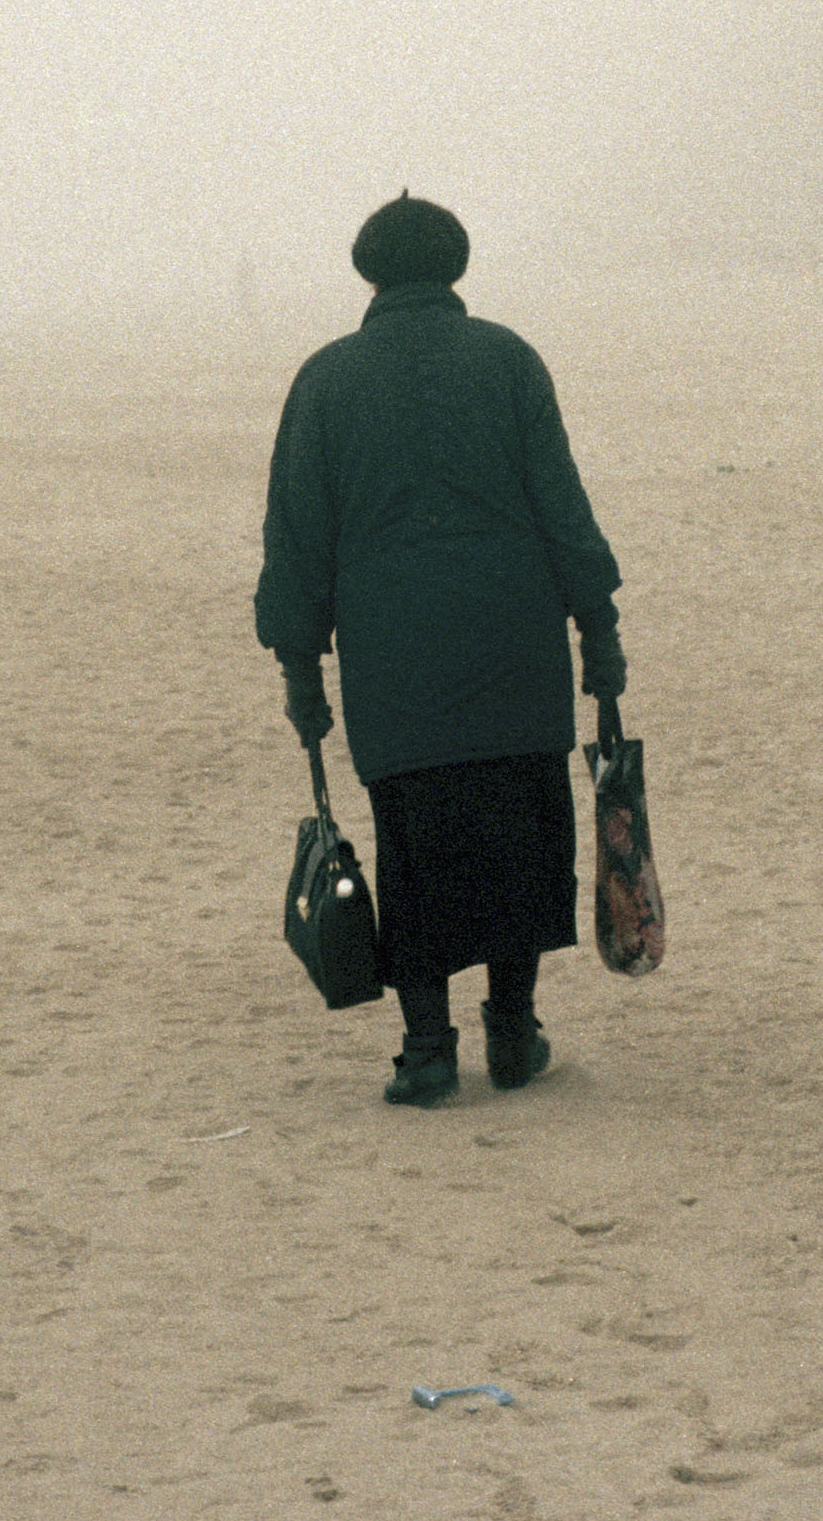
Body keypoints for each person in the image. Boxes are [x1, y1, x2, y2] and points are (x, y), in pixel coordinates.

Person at [255, 192, 626, 1107]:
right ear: (454, 264)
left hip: (394, 664)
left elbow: (298, 540)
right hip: (515, 647)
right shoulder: (508, 360)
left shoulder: (326, 381)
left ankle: (427, 1052)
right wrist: (599, 633)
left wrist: (301, 669)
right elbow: (562, 507)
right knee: (519, 837)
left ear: (369, 271)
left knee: (414, 848)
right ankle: (513, 1034)